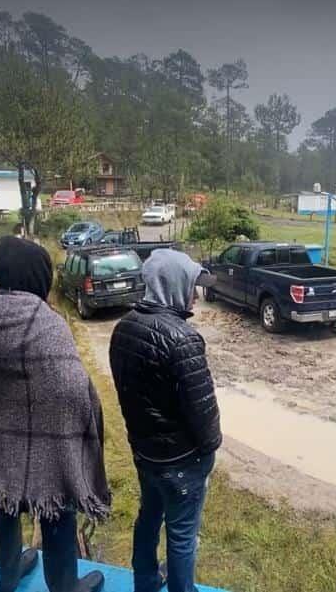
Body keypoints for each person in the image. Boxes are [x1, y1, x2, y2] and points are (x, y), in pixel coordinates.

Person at [0, 237, 110, 592]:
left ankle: (9, 576)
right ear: (36, 275)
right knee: (56, 512)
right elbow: (74, 388)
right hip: (47, 445)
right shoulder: (44, 322)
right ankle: (65, 586)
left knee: (6, 506)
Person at [109, 249, 221, 592]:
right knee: (182, 536)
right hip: (181, 462)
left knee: (148, 518)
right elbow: (202, 409)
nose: (195, 296)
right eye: (191, 286)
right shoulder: (183, 338)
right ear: (173, 284)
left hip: (145, 453)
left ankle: (144, 582)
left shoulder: (123, 328)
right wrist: (210, 448)